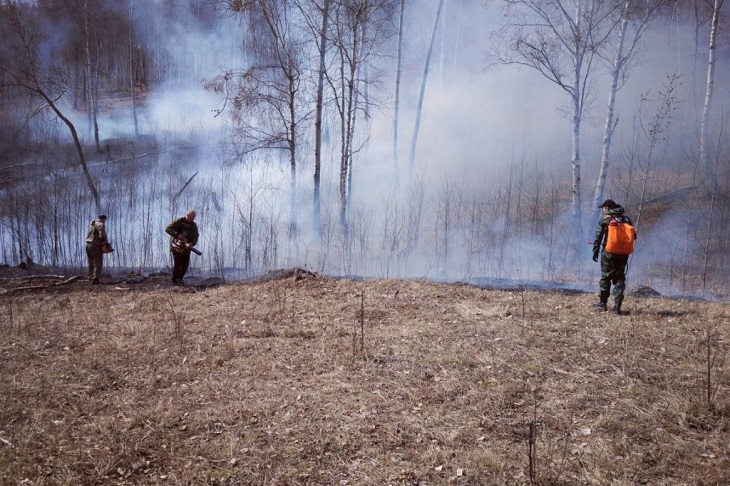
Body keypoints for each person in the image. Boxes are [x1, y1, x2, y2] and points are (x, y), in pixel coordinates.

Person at [592, 199, 636, 314]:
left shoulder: (606, 219)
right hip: (623, 253)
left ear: (607, 208)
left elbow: (598, 236)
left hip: (609, 253)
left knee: (606, 277)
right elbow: (634, 236)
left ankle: (602, 304)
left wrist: (595, 251)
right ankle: (617, 307)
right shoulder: (626, 219)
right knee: (619, 278)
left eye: (603, 208)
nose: (602, 210)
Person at [165, 209, 199, 286]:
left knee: (185, 264)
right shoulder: (179, 221)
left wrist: (191, 244)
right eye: (192, 217)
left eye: (194, 217)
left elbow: (195, 236)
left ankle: (180, 279)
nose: (193, 219)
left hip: (186, 248)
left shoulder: (194, 225)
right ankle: (175, 281)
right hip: (176, 246)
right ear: (187, 215)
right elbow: (167, 229)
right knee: (177, 264)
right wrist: (177, 235)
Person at [85, 214, 109, 285]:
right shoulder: (101, 224)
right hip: (95, 245)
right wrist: (105, 244)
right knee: (98, 262)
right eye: (105, 220)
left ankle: (90, 279)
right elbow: (102, 235)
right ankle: (95, 280)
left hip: (88, 244)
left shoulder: (92, 224)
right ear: (103, 219)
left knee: (90, 263)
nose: (104, 222)